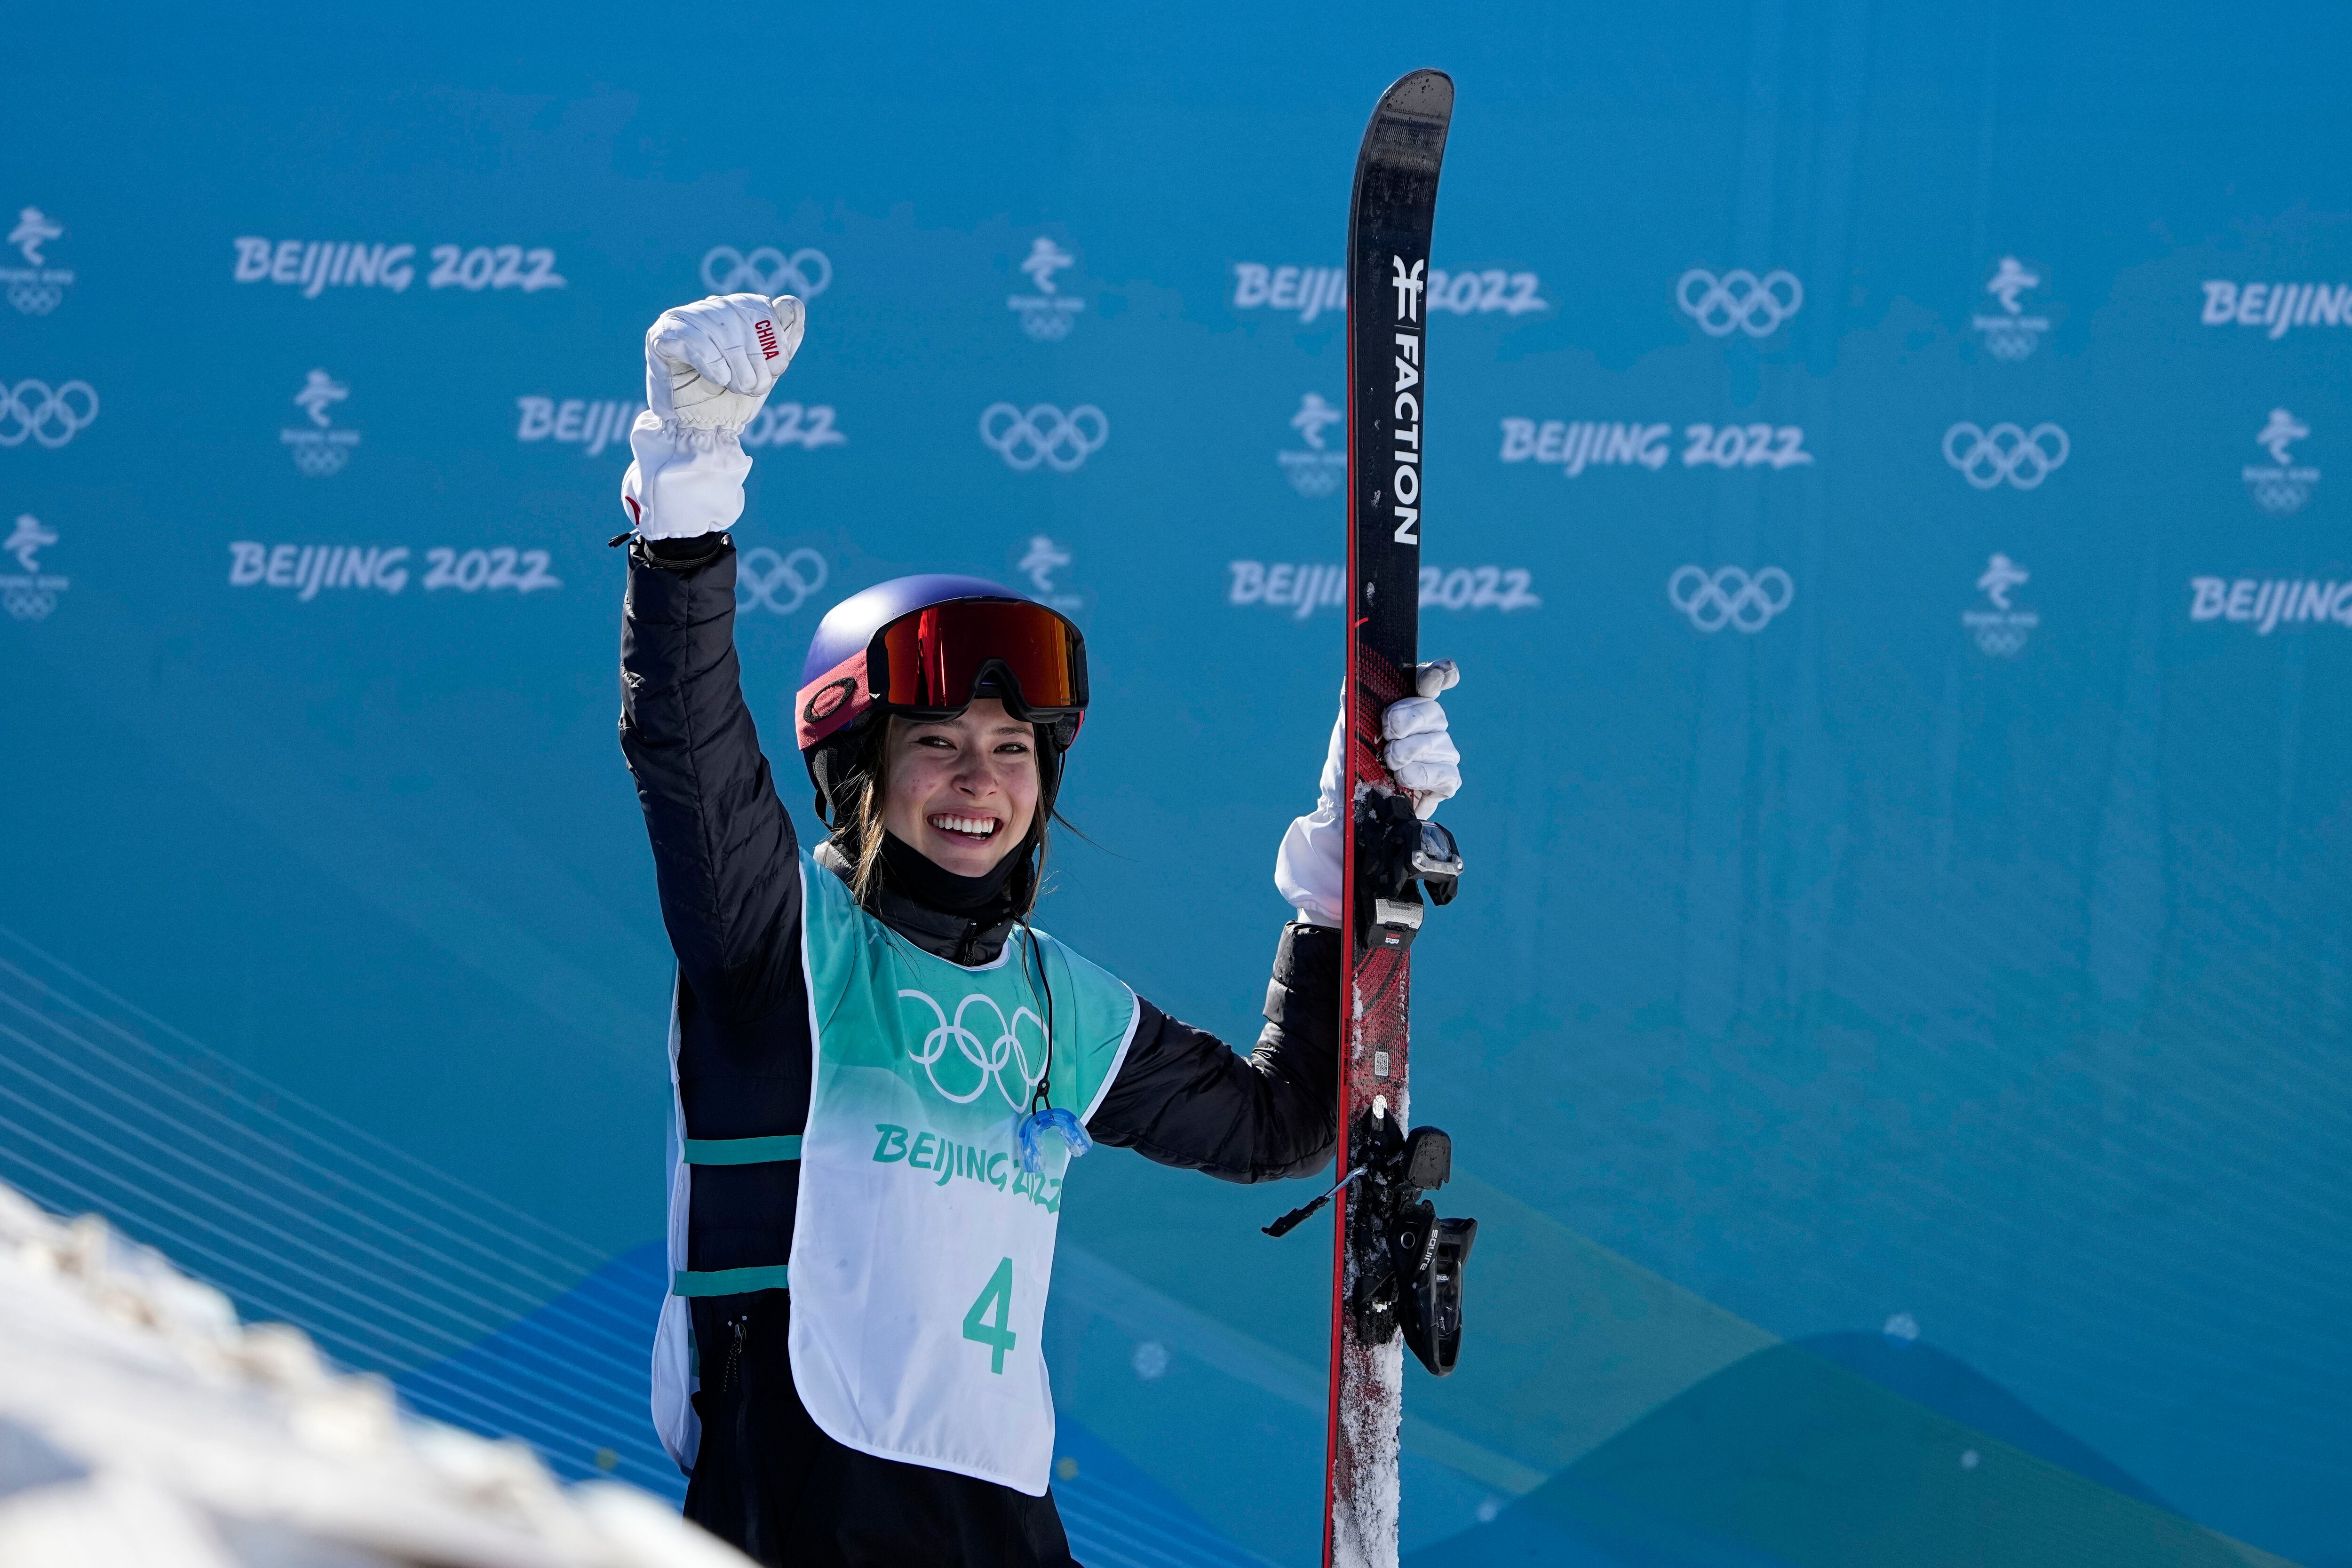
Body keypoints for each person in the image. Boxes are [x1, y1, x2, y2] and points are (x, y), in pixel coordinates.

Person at [615, 292, 1465, 1566]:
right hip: (794, 1502)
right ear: (860, 770)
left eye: (1013, 750)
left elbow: (1286, 1127)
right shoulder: (782, 948)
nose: (980, 782)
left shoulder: (1063, 1008)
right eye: (939, 745)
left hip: (1004, 1522)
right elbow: (686, 749)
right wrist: (686, 507)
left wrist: (1344, 879)